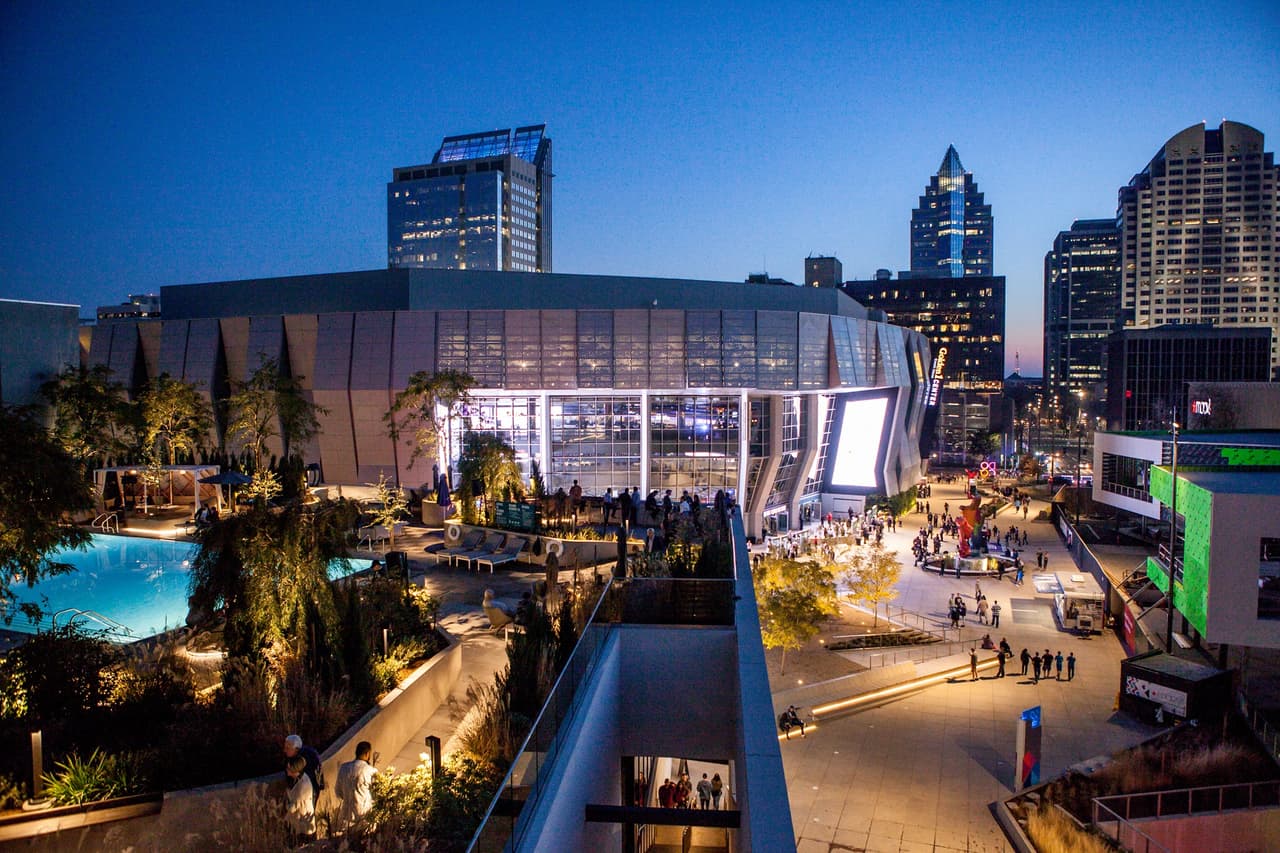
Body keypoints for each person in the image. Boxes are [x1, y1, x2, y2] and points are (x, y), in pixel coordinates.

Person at [335, 740, 377, 833]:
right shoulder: (371, 771)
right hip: (364, 816)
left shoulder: (343, 768)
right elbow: (376, 794)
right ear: (367, 754)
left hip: (346, 815)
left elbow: (338, 791)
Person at [285, 755, 317, 843]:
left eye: (289, 768)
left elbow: (293, 807)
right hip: (302, 821)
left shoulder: (302, 786)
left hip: (304, 825)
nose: (287, 769)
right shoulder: (301, 778)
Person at [284, 734, 323, 803]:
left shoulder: (303, 759)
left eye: (288, 748)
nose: (285, 750)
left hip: (308, 793)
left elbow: (290, 770)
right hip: (309, 790)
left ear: (296, 749)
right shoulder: (305, 753)